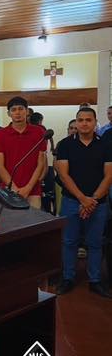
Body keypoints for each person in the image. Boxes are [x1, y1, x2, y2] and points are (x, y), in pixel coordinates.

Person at [54, 106, 112, 297]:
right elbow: (63, 175)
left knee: (95, 243)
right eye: (81, 120)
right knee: (69, 241)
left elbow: (109, 175)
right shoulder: (65, 145)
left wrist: (92, 201)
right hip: (72, 201)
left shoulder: (106, 144)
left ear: (95, 123)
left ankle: (95, 280)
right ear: (76, 123)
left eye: (89, 120)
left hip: (99, 202)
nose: (84, 123)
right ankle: (68, 277)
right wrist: (82, 199)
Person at [0, 96, 48, 209]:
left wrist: (28, 187)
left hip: (33, 190)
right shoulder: (1, 134)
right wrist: (14, 188)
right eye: (13, 110)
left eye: (21, 109)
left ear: (27, 111)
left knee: (32, 224)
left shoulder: (39, 132)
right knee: (11, 224)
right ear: (9, 113)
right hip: (8, 190)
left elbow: (40, 164)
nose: (17, 112)